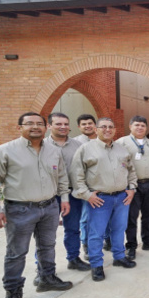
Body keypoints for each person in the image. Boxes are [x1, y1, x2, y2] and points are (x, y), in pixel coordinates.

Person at [0, 112, 73, 298]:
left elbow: (61, 177)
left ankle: (47, 278)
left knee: (47, 246)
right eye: (30, 123)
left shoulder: (53, 150)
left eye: (39, 124)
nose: (35, 127)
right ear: (19, 127)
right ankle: (13, 293)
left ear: (46, 127)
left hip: (50, 207)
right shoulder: (4, 151)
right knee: (16, 253)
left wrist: (65, 199)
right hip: (19, 209)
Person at [71, 117, 137, 281]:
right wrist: (87, 195)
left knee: (119, 229)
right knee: (96, 234)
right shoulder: (85, 149)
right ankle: (96, 265)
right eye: (103, 127)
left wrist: (132, 189)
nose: (107, 130)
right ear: (96, 129)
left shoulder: (122, 150)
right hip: (99, 199)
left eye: (111, 127)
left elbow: (131, 171)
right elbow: (76, 175)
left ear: (114, 130)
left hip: (122, 197)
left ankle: (119, 257)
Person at [43, 112, 90, 271]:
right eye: (58, 124)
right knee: (46, 234)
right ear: (49, 126)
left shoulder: (78, 145)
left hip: (72, 195)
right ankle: (43, 268)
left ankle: (73, 258)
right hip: (48, 196)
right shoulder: (41, 146)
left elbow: (86, 168)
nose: (63, 127)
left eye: (65, 124)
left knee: (73, 229)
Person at [116, 115, 149, 260]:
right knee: (131, 217)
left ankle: (148, 241)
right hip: (132, 186)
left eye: (143, 125)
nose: (140, 128)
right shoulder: (122, 143)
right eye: (136, 125)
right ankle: (131, 245)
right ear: (130, 126)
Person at [73, 113, 101, 258]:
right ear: (79, 126)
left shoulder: (102, 140)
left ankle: (103, 241)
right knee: (86, 218)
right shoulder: (75, 143)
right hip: (85, 189)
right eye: (84, 124)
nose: (87, 126)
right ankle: (86, 245)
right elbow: (76, 169)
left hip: (102, 187)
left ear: (95, 125)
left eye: (90, 123)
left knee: (103, 217)